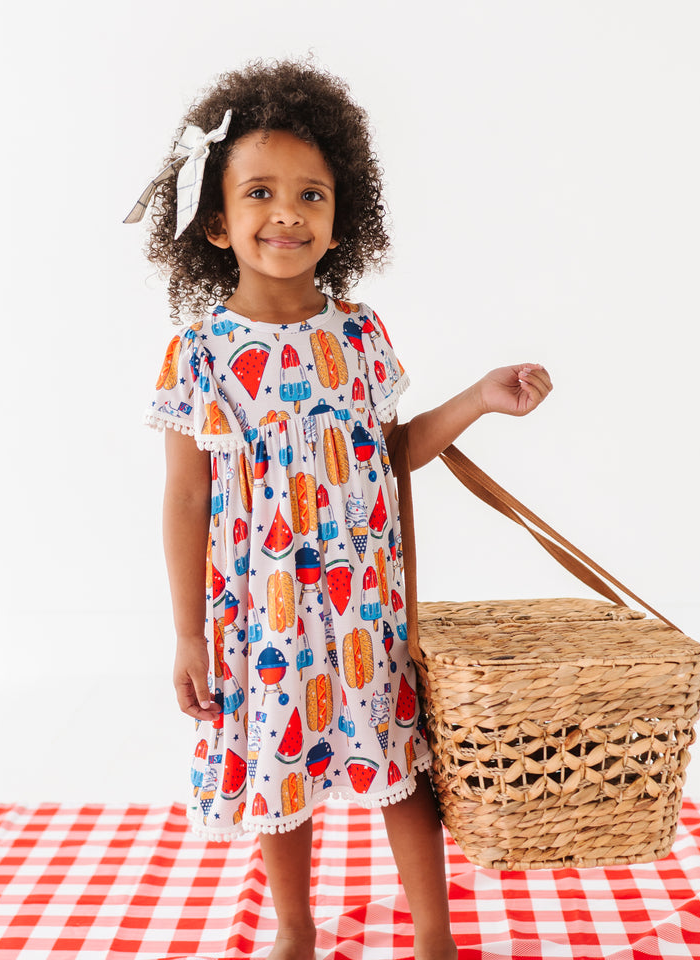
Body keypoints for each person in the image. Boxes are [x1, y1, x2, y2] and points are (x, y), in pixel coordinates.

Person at [129, 59, 552, 960]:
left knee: (403, 765)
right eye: (260, 192)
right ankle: (294, 926)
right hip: (261, 606)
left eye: (311, 194)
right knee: (279, 767)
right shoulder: (199, 353)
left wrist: (478, 397)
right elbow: (187, 493)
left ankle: (433, 933)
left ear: (338, 215)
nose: (287, 212)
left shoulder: (359, 335)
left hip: (363, 599)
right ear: (215, 219)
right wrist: (187, 632)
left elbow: (388, 454)